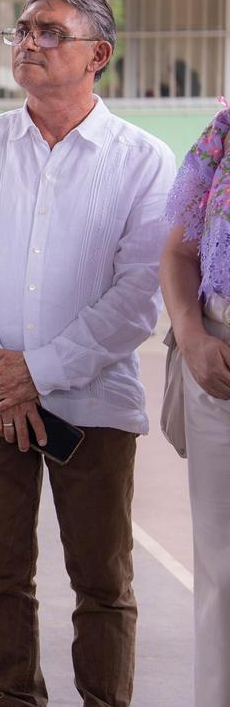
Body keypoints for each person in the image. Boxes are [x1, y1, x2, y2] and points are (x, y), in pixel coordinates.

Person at [0, 0, 174, 707]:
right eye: (23, 31)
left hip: (93, 405)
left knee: (103, 583)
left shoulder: (142, 159)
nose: (29, 43)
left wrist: (37, 373)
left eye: (50, 33)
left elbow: (140, 294)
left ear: (97, 53)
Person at [161, 109, 230, 707]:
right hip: (219, 362)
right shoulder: (224, 134)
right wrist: (192, 338)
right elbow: (180, 255)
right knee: (223, 574)